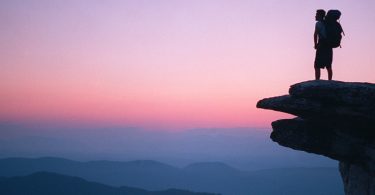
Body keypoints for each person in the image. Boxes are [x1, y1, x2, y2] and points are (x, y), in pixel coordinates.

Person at [314, 9, 333, 80]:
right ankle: (330, 81)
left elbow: (315, 35)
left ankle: (317, 81)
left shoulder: (318, 23)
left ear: (319, 15)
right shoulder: (328, 23)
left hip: (322, 44)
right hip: (329, 45)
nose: (315, 16)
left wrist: (315, 44)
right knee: (328, 65)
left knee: (317, 65)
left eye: (316, 14)